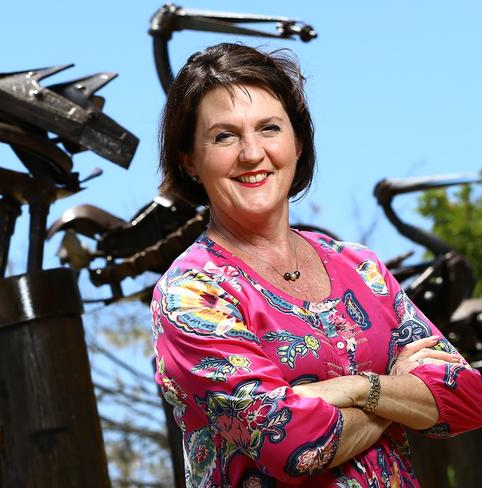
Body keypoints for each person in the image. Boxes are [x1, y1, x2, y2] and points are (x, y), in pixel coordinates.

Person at [151, 42, 482, 487]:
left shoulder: (359, 266)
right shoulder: (192, 293)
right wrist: (399, 392)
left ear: (298, 142)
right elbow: (294, 445)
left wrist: (360, 388)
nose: (252, 153)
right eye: (224, 136)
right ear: (189, 159)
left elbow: (467, 399)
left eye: (269, 128)